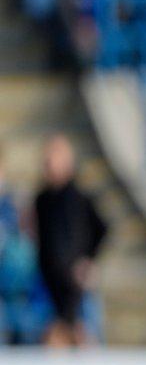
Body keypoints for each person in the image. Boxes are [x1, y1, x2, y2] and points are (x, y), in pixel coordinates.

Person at [33, 134, 107, 347]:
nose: (48, 163)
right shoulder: (42, 199)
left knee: (87, 339)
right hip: (50, 284)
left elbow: (103, 229)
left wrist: (89, 259)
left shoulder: (79, 197)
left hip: (78, 285)